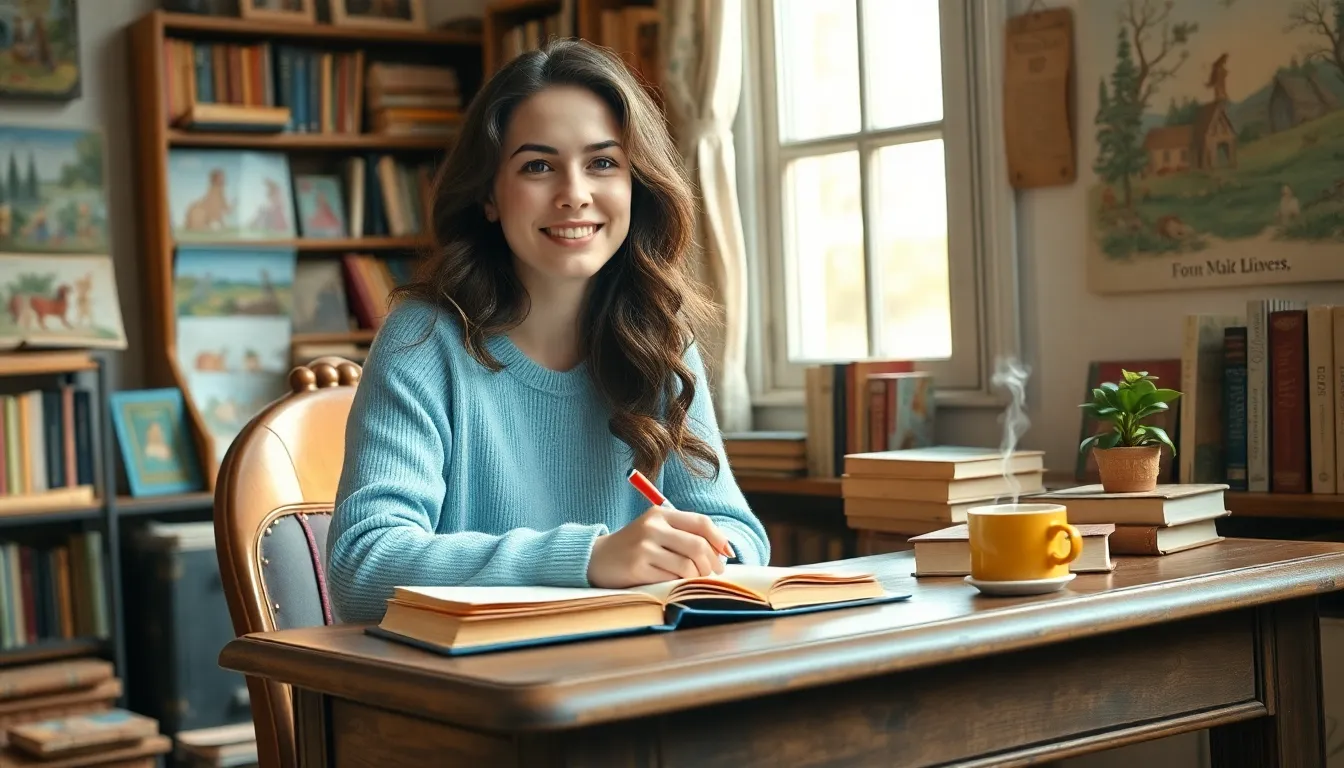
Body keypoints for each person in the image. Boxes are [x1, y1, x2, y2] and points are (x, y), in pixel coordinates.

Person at [325, 39, 771, 624]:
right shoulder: (423, 340)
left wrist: (706, 552)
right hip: (473, 692)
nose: (574, 194)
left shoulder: (659, 336)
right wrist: (587, 558)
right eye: (538, 166)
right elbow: (363, 566)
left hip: (628, 673)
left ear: (637, 183)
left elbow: (740, 535)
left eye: (603, 163)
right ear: (489, 194)